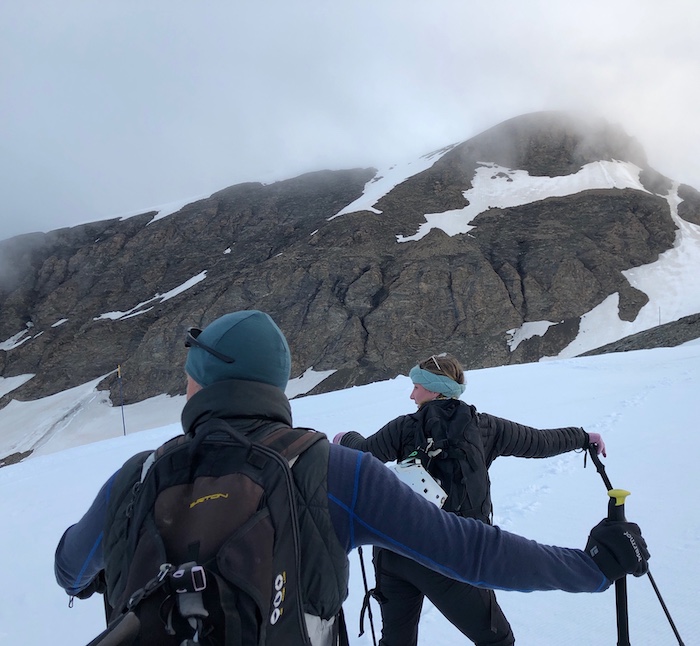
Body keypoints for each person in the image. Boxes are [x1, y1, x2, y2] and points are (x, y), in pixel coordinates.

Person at [55, 311, 648, 646]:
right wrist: (593, 567)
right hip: (416, 553)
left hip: (393, 570)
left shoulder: (136, 477)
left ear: (202, 383)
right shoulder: (331, 473)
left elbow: (68, 568)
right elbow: (472, 548)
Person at [334, 353, 607, 646]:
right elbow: (539, 442)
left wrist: (343, 437)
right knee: (497, 640)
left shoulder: (403, 427)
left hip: (395, 553)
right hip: (454, 554)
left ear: (436, 389)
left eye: (417, 387)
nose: (412, 394)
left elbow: (362, 452)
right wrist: (582, 437)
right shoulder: (485, 428)